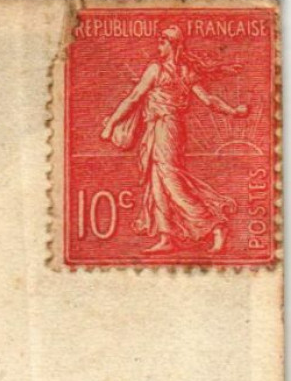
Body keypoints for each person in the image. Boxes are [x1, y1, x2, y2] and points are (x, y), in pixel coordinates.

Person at [100, 25, 249, 254]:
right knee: (157, 180)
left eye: (162, 42)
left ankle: (213, 224)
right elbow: (208, 100)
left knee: (170, 179)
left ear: (173, 45)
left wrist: (111, 124)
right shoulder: (183, 71)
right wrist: (233, 111)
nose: (158, 46)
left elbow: (134, 98)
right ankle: (166, 236)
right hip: (161, 128)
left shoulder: (158, 70)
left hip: (167, 128)